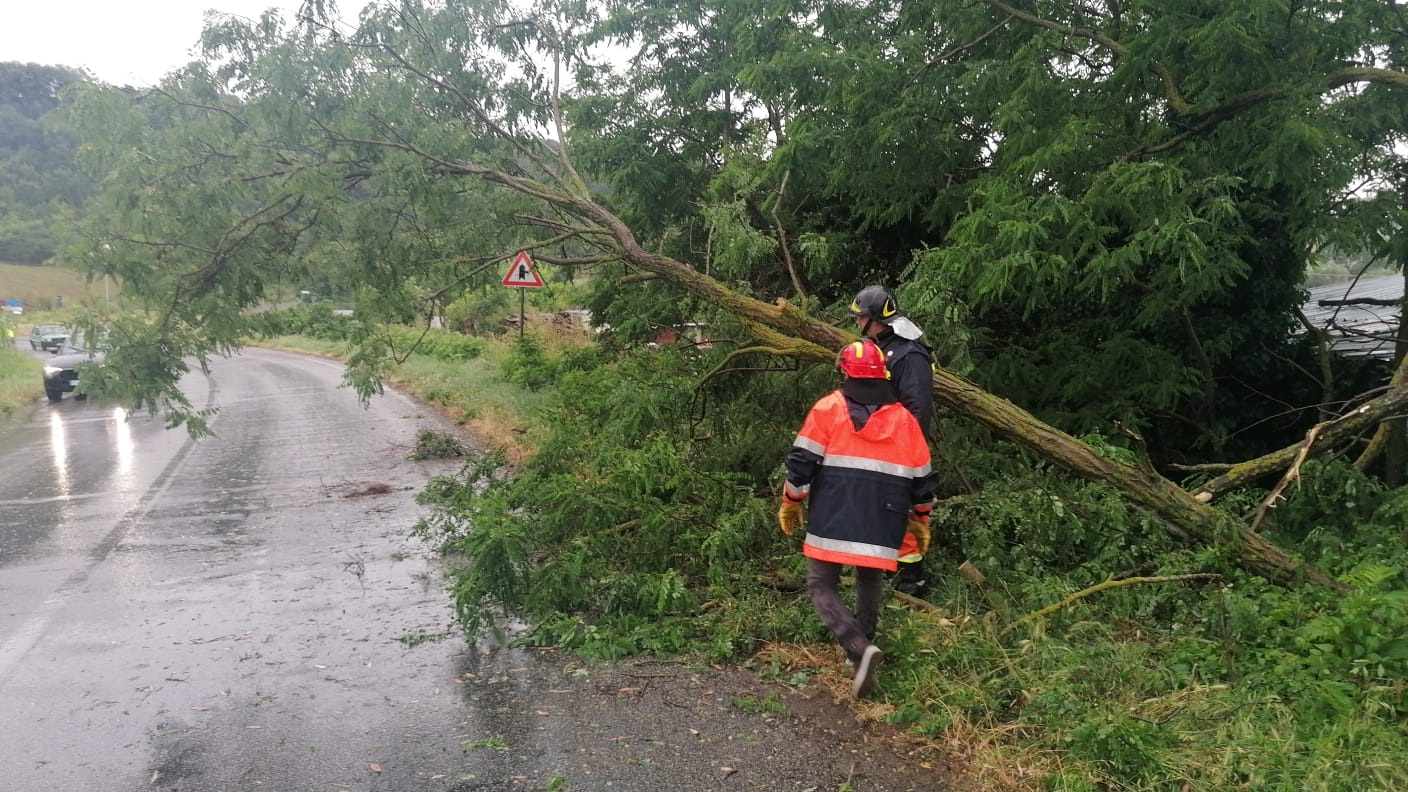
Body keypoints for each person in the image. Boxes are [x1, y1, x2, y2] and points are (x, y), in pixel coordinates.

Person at [778, 340, 937, 697]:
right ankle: (863, 653)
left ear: (845, 371)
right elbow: (923, 479)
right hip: (884, 520)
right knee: (869, 577)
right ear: (883, 374)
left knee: (820, 583)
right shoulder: (905, 420)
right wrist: (920, 518)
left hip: (833, 515)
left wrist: (791, 500)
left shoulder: (828, 408)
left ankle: (857, 646)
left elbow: (802, 463)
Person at [848, 285, 937, 596]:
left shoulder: (909, 355)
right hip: (877, 445)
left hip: (901, 447)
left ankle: (913, 578)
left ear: (877, 318)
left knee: (905, 510)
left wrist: (906, 452)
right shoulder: (877, 348)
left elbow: (918, 409)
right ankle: (886, 568)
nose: (858, 323)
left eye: (861, 317)